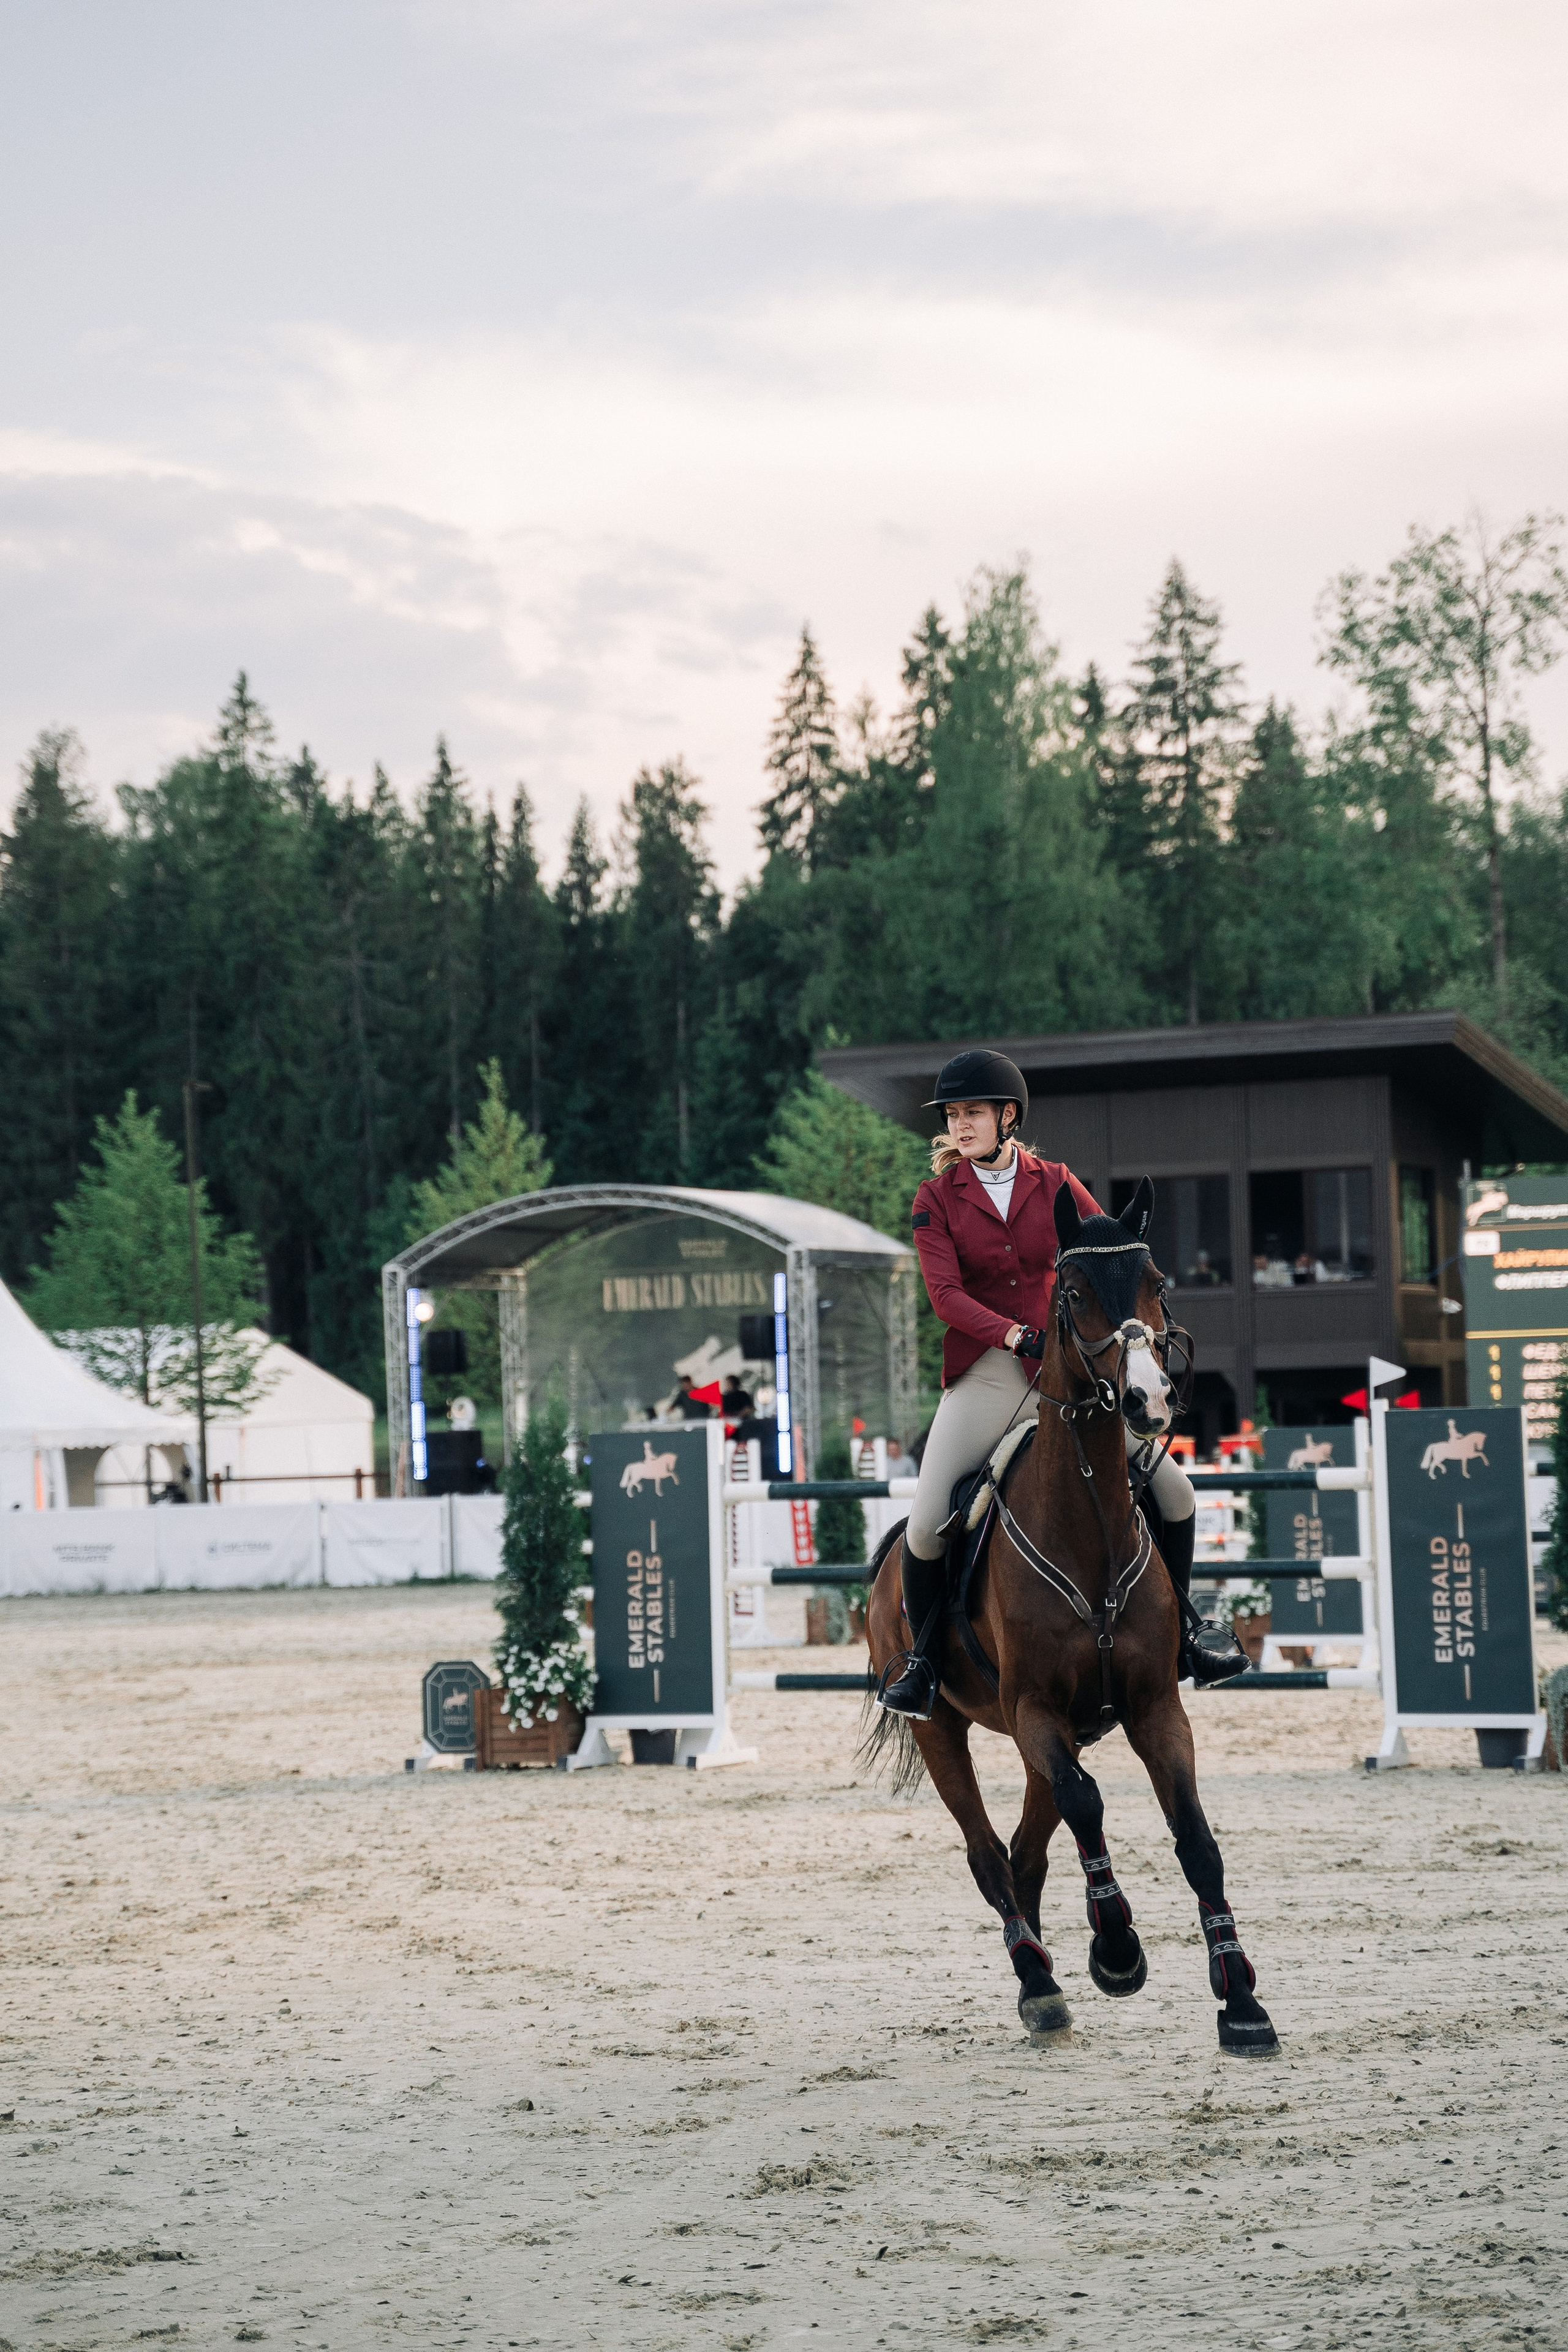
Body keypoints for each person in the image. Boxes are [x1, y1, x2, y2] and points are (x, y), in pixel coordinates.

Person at [877, 1047, 1238, 1719]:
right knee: (926, 1525)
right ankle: (923, 1664)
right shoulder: (936, 1199)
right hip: (988, 1371)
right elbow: (945, 1296)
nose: (960, 1125)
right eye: (953, 1115)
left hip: (1069, 1371)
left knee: (1177, 1493)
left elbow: (1107, 1253)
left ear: (1006, 1116)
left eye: (972, 1113)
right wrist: (1015, 1336)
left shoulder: (1056, 1181)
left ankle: (1187, 1635)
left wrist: (1131, 1324)